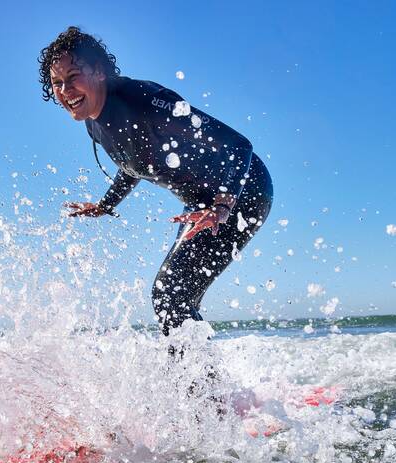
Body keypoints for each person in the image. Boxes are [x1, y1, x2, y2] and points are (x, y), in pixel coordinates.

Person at [39, 27, 273, 336]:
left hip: (244, 190)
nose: (65, 90)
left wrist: (222, 206)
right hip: (202, 206)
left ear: (97, 70)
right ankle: (203, 382)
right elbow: (133, 165)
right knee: (177, 299)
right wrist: (105, 205)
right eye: (57, 83)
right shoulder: (93, 123)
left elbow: (238, 145)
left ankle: (202, 384)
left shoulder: (146, 101)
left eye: (72, 77)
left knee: (169, 294)